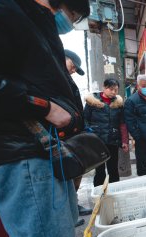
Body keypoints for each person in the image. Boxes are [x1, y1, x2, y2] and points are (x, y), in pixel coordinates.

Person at [0, 0, 90, 237]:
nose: (69, 21)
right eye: (72, 14)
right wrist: (43, 106)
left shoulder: (37, 24)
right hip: (22, 152)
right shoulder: (3, 11)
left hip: (47, 151)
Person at [64, 49, 92, 227]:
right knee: (68, 174)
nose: (74, 70)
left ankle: (73, 207)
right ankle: (69, 212)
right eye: (73, 66)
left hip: (74, 134)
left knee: (76, 174)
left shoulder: (66, 79)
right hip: (65, 136)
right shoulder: (54, 76)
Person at [84, 78, 129, 187]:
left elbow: (122, 123)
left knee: (113, 169)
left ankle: (114, 193)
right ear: (104, 87)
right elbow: (85, 120)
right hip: (97, 141)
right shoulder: (93, 102)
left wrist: (125, 141)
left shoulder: (118, 103)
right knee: (99, 171)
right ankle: (99, 195)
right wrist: (89, 136)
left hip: (112, 141)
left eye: (116, 90)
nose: (113, 92)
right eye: (111, 89)